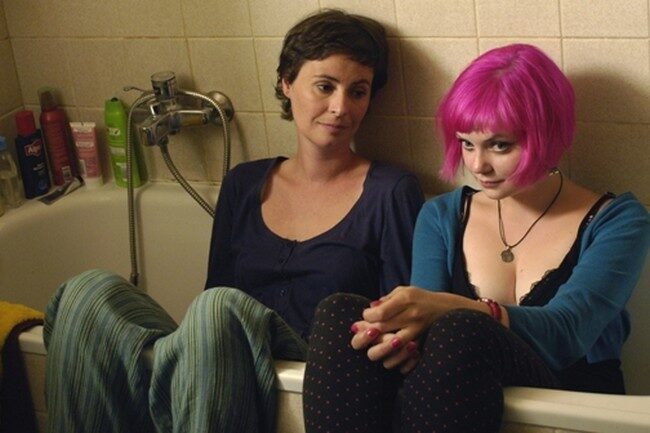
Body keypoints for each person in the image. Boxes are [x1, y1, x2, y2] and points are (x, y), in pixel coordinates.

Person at [42, 9, 424, 433]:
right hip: (221, 370)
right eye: (325, 86)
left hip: (309, 370)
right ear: (287, 82)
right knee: (86, 293)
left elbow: (402, 317)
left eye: (358, 92)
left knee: (218, 307)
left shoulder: (390, 191)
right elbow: (212, 296)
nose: (340, 107)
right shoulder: (244, 183)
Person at [303, 43, 650, 433]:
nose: (477, 165)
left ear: (548, 134)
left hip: (573, 406)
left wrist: (462, 308)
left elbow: (567, 334)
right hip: (456, 401)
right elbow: (422, 331)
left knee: (462, 328)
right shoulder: (441, 216)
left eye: (500, 145)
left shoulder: (618, 220)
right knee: (339, 314)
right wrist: (395, 337)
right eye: (467, 143)